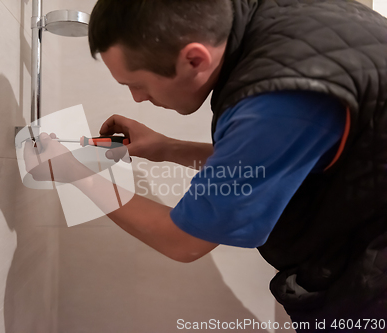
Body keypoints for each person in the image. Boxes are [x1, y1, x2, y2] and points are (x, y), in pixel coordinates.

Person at [27, 0, 387, 330]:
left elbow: (183, 241)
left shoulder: (281, 94)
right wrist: (167, 147)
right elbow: (271, 161)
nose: (137, 98)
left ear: (194, 59)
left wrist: (78, 173)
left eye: (136, 84)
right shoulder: (280, 24)